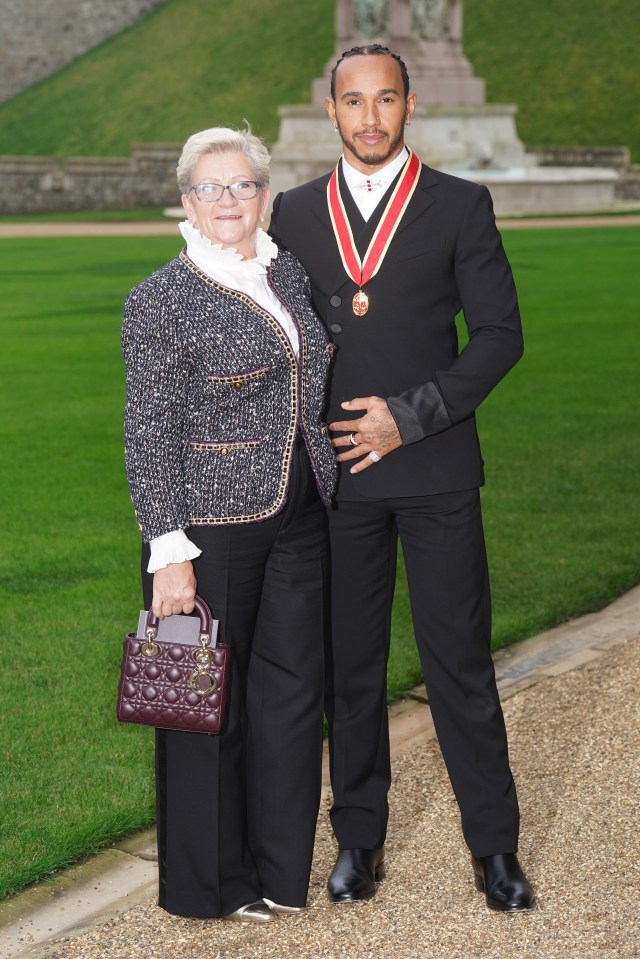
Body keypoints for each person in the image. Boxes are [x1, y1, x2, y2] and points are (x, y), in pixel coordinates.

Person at [269, 45, 535, 912]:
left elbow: (500, 335)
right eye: (355, 101)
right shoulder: (295, 214)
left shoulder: (460, 204)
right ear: (333, 111)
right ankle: (358, 840)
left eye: (386, 99)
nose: (371, 117)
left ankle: (494, 847)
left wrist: (409, 415)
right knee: (352, 670)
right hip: (340, 479)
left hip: (435, 469)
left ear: (409, 106)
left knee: (459, 661)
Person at [122, 127, 337, 923]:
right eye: (209, 188)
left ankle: (281, 873)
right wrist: (167, 552)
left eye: (241, 185)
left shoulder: (286, 271)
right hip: (209, 529)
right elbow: (147, 431)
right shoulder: (160, 298)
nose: (226, 201)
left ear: (263, 195)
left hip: (300, 514)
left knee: (288, 698)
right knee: (202, 702)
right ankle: (212, 884)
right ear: (186, 201)